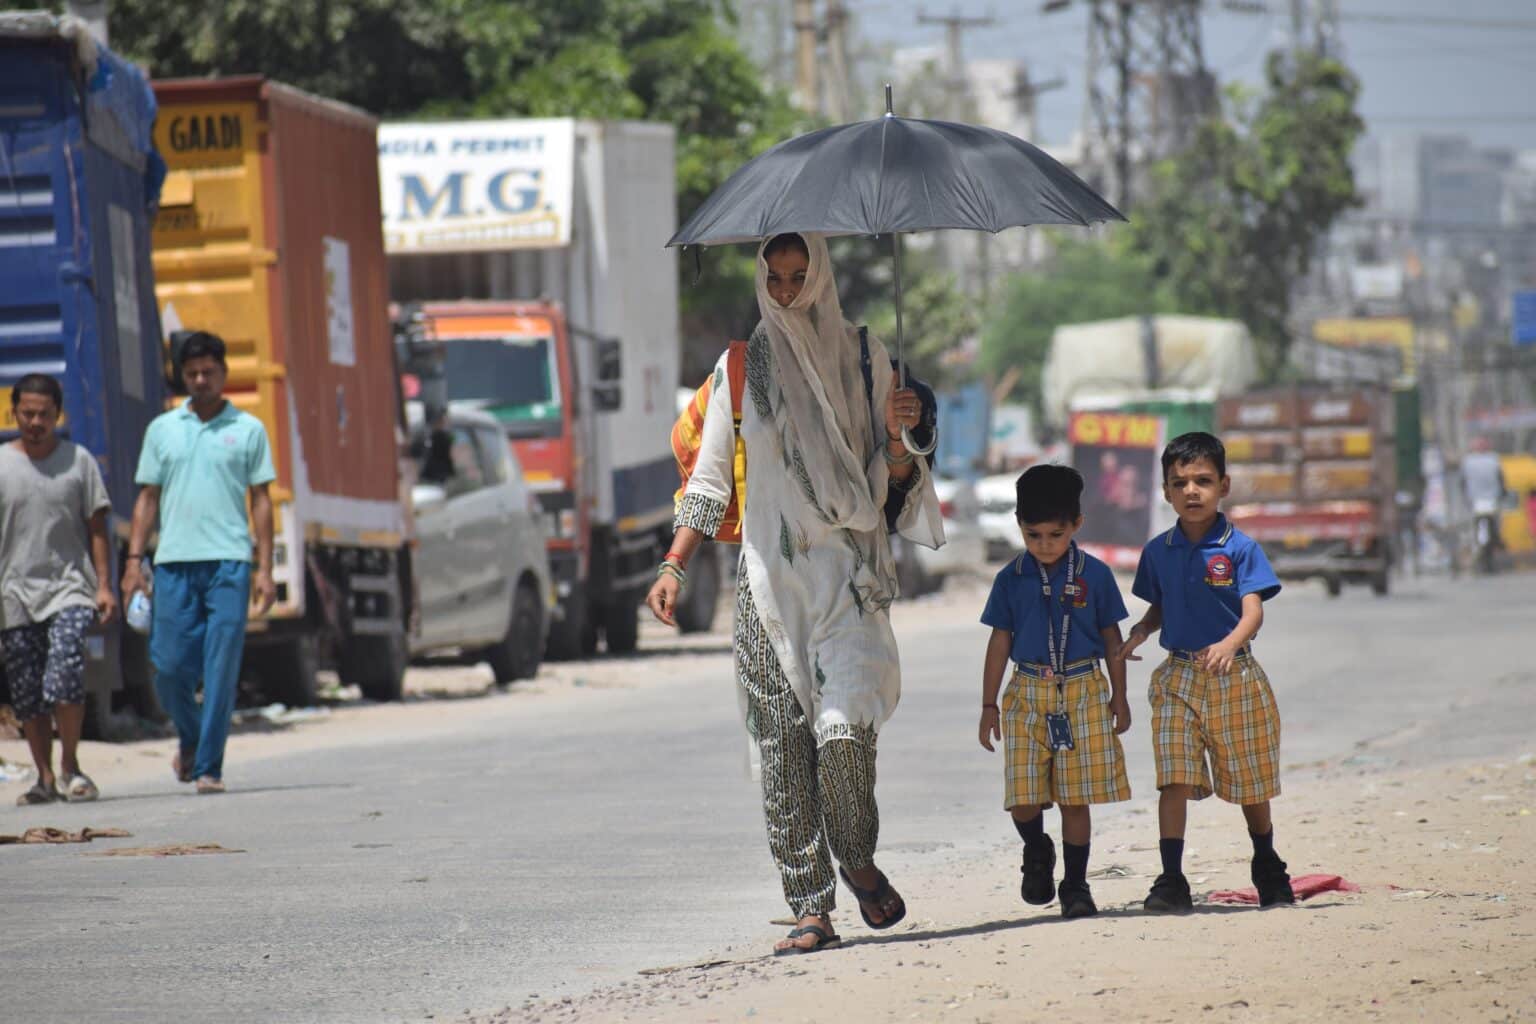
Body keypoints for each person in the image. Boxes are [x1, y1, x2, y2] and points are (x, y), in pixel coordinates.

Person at [646, 232, 944, 955]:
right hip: (767, 582)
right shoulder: (742, 366)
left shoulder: (868, 358)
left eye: (798, 276)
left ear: (821, 278)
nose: (784, 291)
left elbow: (893, 483)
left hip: (847, 579)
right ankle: (811, 904)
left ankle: (859, 857)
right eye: (774, 278)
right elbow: (711, 479)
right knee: (782, 748)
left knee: (844, 738)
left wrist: (904, 438)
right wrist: (675, 565)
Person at [1117, 431, 1294, 912]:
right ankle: (1172, 878)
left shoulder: (1240, 548)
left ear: (1224, 485)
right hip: (1178, 679)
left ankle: (1267, 862)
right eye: (1180, 483)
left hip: (1235, 677)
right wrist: (1140, 631)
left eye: (1203, 481)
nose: (1191, 491)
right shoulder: (1157, 551)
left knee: (1250, 783)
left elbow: (1253, 610)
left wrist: (1229, 643)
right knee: (1172, 776)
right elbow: (1160, 606)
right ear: (1165, 491)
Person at [122, 331, 277, 795]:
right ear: (181, 377)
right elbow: (147, 498)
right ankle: (190, 738)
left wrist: (264, 568)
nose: (201, 380)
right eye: (192, 373)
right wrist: (134, 560)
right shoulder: (162, 430)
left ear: (224, 374)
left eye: (209, 372)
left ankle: (209, 766)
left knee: (222, 665)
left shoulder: (248, 429)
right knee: (168, 668)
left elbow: (263, 501)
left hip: (230, 562)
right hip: (173, 564)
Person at [977, 464, 1132, 918]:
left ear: (1077, 525)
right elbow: (998, 641)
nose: (1044, 545)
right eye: (1033, 535)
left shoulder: (1096, 575)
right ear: (1019, 527)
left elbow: (1111, 638)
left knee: (1074, 796)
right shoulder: (1010, 578)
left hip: (1083, 689)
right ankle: (1037, 847)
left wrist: (1119, 697)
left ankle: (1077, 886)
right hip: (1026, 692)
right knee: (1023, 798)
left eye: (1055, 534)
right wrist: (989, 705)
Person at [0, 375, 116, 804]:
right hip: (12, 594)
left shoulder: (77, 461)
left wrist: (103, 586)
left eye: (44, 414)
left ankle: (71, 766)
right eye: (27, 414)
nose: (35, 422)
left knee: (65, 674)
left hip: (69, 587)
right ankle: (44, 777)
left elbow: (98, 527)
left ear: (58, 415)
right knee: (28, 693)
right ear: (14, 412)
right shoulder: (2, 464)